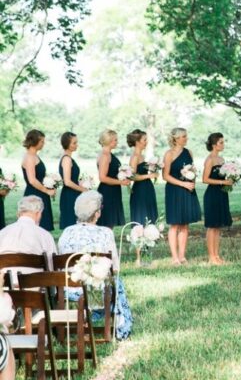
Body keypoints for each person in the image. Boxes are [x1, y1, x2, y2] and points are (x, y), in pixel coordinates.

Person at [58, 191, 133, 340]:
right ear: (97, 213)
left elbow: (61, 264)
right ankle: (119, 326)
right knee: (116, 283)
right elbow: (115, 268)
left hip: (69, 288)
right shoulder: (105, 233)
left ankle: (83, 320)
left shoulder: (66, 232)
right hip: (97, 288)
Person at [163, 128, 201, 266]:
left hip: (188, 190)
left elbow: (193, 170)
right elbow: (165, 176)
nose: (186, 138)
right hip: (174, 191)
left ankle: (182, 256)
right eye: (184, 136)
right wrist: (182, 184)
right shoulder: (169, 154)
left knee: (185, 224)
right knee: (175, 224)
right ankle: (174, 258)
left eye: (186, 136)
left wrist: (193, 183)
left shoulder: (189, 152)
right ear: (176, 139)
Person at [202, 133, 234, 265]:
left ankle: (217, 255)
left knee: (218, 226)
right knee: (212, 226)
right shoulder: (209, 159)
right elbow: (205, 179)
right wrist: (223, 183)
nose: (223, 144)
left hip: (222, 194)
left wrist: (231, 179)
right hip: (212, 194)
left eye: (223, 142)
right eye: (221, 142)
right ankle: (211, 257)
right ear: (214, 145)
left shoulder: (221, 159)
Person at [21, 129, 56, 231]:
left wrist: (51, 183)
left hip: (40, 192)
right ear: (34, 141)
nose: (43, 144)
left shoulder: (34, 155)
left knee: (43, 228)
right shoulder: (29, 157)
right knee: (36, 227)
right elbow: (32, 180)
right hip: (34, 194)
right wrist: (47, 191)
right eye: (42, 142)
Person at [97, 129, 130, 228]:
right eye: (115, 140)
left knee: (109, 224)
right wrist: (120, 182)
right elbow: (102, 177)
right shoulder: (105, 155)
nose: (117, 142)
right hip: (107, 192)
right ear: (109, 141)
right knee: (106, 223)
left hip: (113, 190)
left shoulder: (108, 154)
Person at [127, 129, 159, 225]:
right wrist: (150, 175)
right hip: (140, 190)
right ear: (137, 142)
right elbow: (132, 176)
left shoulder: (141, 156)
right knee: (143, 216)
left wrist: (153, 167)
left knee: (150, 214)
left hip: (147, 188)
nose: (146, 142)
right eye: (144, 140)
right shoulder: (135, 157)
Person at [59, 132, 87, 229]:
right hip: (70, 195)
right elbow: (67, 182)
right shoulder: (66, 159)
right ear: (67, 144)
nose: (76, 145)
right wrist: (83, 189)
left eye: (76, 142)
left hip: (74, 193)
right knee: (71, 223)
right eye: (74, 143)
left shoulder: (69, 158)